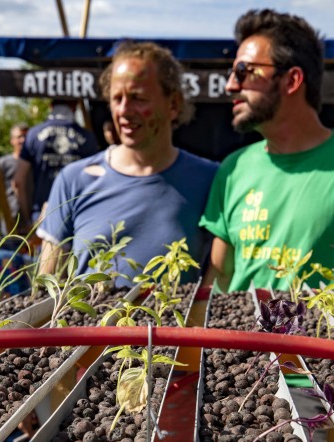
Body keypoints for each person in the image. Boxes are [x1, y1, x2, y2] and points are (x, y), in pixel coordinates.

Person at [201, 9, 334, 292]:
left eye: (244, 72)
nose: (231, 85)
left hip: (322, 336)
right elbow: (218, 278)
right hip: (240, 333)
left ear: (292, 80)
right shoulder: (233, 168)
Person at [37, 41, 218, 285]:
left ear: (173, 104)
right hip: (88, 323)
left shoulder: (209, 179)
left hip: (172, 322)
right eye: (116, 98)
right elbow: (46, 283)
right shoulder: (74, 180)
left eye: (138, 98)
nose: (124, 110)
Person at [16, 99, 98, 227]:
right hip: (77, 217)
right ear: (75, 106)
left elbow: (18, 182)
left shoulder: (33, 135)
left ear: (50, 106)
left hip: (42, 216)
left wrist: (28, 219)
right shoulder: (87, 137)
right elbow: (95, 181)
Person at [0, 122, 28, 232]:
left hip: (29, 215)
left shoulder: (34, 163)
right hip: (9, 214)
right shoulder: (3, 162)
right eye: (19, 137)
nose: (22, 140)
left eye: (25, 136)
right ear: (12, 140)